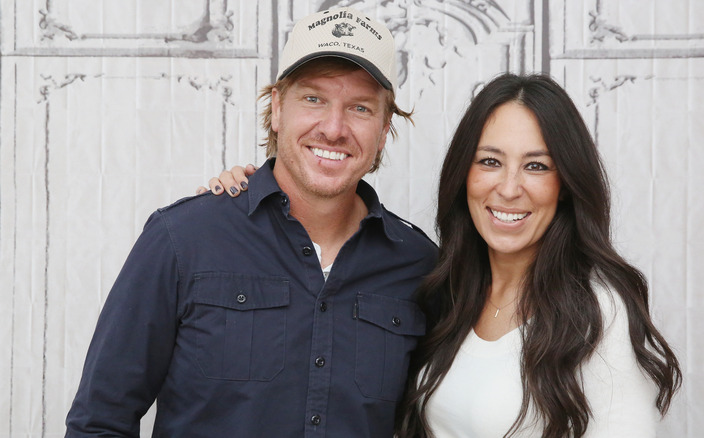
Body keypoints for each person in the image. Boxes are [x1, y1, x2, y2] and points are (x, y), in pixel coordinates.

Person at [210, 73, 682, 437]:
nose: (509, 188)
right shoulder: (444, 288)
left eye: (536, 166)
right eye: (490, 161)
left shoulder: (596, 310)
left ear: (565, 186)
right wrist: (246, 202)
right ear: (464, 175)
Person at [65, 7, 438, 438]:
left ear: (384, 128)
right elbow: (99, 422)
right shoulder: (184, 238)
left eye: (360, 107)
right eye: (313, 99)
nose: (334, 129)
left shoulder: (421, 267)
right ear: (277, 108)